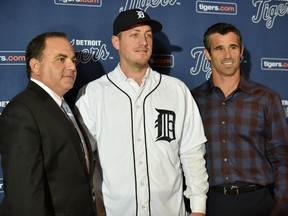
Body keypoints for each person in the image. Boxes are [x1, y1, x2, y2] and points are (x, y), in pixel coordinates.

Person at [75, 9, 209, 216]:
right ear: (116, 42)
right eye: (134, 34)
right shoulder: (93, 93)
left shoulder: (176, 90)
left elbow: (192, 152)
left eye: (148, 35)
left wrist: (199, 208)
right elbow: (84, 160)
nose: (144, 42)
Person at [191, 23, 288, 216]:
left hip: (259, 203)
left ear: (241, 51)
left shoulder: (266, 98)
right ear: (207, 54)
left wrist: (282, 205)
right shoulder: (192, 101)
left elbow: (282, 158)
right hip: (211, 205)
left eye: (233, 47)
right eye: (219, 48)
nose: (227, 55)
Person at [0, 32, 96, 216]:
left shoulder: (62, 106)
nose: (72, 66)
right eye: (61, 59)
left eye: (73, 60)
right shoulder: (21, 111)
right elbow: (25, 195)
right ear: (35, 65)